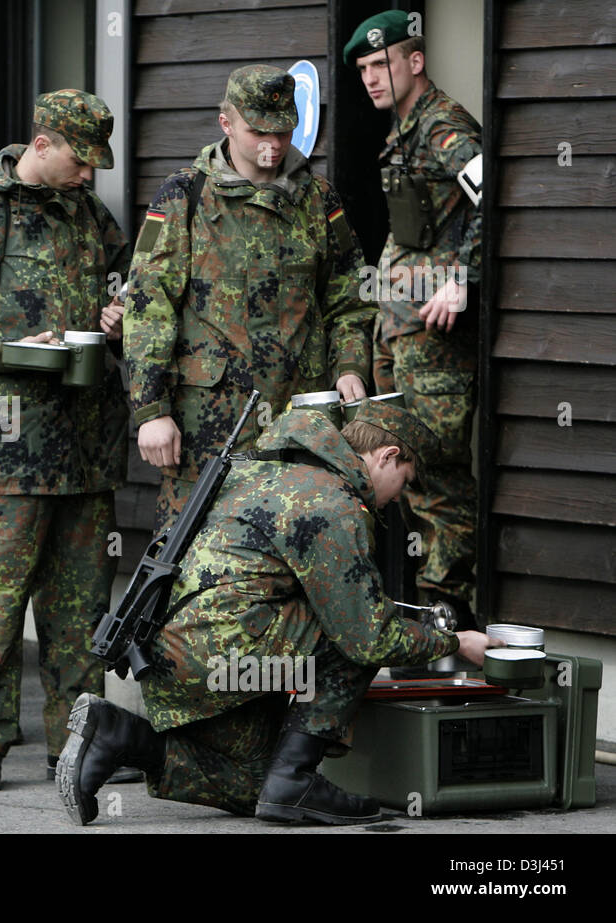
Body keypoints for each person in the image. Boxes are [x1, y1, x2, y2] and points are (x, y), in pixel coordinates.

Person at [55, 398, 500, 826]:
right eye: (403, 481)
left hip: (170, 656)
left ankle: (115, 733)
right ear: (386, 456)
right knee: (361, 633)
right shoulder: (335, 504)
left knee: (253, 785)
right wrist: (457, 642)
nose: (395, 499)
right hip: (223, 652)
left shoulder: (262, 467)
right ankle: (297, 778)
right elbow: (368, 636)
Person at [0, 90, 130, 790]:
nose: (88, 173)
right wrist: (9, 346)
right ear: (43, 144)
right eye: (79, 158)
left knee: (80, 609)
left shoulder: (91, 216)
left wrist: (121, 311)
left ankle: (78, 741)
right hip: (0, 452)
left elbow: (130, 285)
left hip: (82, 446)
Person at [125, 65, 375, 529]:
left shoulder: (317, 197)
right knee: (197, 554)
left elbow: (350, 294)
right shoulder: (185, 196)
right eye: (258, 130)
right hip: (210, 422)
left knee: (298, 541)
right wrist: (151, 409)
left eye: (283, 131)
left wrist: (350, 366)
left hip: (301, 417)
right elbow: (148, 305)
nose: (273, 144)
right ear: (227, 124)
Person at [347, 11, 483, 626]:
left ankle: (447, 616)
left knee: (436, 473)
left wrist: (463, 278)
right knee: (401, 468)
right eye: (364, 70)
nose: (372, 79)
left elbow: (494, 192)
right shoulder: (404, 129)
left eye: (381, 64)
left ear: (415, 60)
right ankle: (421, 617)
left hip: (434, 339)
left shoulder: (444, 125)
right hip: (398, 328)